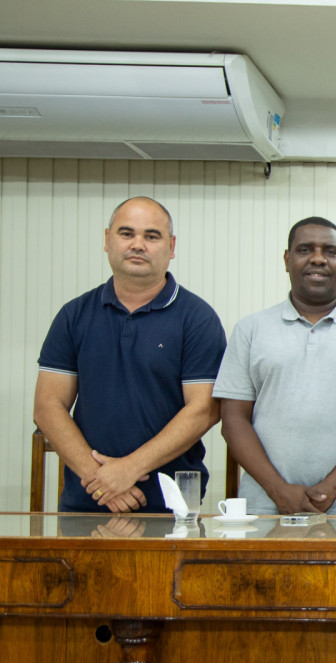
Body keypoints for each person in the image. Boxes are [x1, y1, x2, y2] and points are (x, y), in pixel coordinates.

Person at [34, 197, 225, 513]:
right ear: (107, 240)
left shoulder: (197, 318)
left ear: (171, 246)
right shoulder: (74, 315)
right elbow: (47, 407)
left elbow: (203, 409)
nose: (138, 244)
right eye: (126, 234)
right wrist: (102, 482)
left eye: (151, 236)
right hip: (86, 500)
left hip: (169, 505)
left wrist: (129, 470)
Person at [214, 217, 336, 515]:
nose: (318, 258)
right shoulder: (250, 329)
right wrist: (279, 492)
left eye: (330, 251)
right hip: (265, 507)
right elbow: (233, 420)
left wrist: (330, 489)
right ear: (287, 260)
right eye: (305, 250)